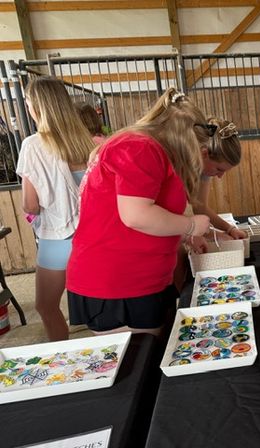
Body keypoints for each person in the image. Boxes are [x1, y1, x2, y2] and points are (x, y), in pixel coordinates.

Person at [66, 88, 211, 336]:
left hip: (139, 278)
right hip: (118, 284)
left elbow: (150, 209)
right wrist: (190, 225)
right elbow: (136, 215)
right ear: (183, 138)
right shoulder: (141, 148)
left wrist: (185, 236)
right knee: (137, 364)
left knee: (153, 357)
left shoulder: (141, 147)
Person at [16, 77, 95, 341]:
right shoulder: (87, 142)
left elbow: (31, 205)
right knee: (97, 304)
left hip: (58, 238)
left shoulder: (32, 145)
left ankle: (61, 354)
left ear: (35, 107)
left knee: (46, 306)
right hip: (94, 236)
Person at [192, 117, 246, 242]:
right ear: (204, 154)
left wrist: (230, 229)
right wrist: (212, 234)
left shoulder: (204, 168)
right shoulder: (178, 167)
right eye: (219, 169)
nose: (220, 176)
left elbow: (200, 207)